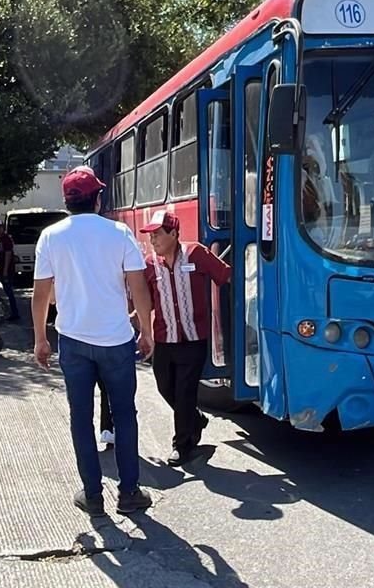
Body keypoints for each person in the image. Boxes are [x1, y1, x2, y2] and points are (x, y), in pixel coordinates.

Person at [32, 166, 155, 517]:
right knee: (125, 415)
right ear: (97, 199)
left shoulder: (51, 237)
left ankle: (92, 494)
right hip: (116, 340)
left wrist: (41, 338)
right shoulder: (119, 233)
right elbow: (138, 287)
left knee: (81, 417)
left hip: (72, 340)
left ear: (67, 201)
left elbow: (41, 294)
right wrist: (146, 331)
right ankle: (129, 492)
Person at [139, 210, 231, 466]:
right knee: (164, 386)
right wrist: (138, 323)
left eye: (157, 234)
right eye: (151, 235)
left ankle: (182, 444)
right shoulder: (149, 264)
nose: (153, 240)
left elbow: (224, 275)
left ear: (174, 234)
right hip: (164, 339)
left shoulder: (196, 253)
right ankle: (195, 419)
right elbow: (144, 298)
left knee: (185, 390)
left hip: (194, 338)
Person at [0, 222, 20, 322]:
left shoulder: (6, 239)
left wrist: (5, 271)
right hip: (0, 270)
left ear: (2, 228)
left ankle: (14, 312)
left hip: (6, 271)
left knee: (9, 292)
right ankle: (11, 311)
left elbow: (8, 255)